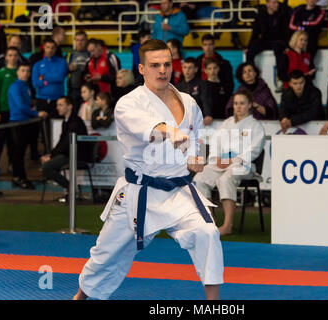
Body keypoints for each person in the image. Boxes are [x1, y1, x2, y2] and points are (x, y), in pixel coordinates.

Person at [73, 39, 223, 300]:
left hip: (178, 191)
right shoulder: (128, 103)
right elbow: (145, 125)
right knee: (105, 255)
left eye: (166, 64)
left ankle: (213, 303)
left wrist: (195, 158)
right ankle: (79, 298)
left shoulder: (188, 101)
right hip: (138, 193)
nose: (162, 70)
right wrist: (168, 131)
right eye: (155, 65)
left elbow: (197, 137)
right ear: (141, 68)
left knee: (207, 233)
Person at [193, 89, 266, 236]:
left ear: (250, 105)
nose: (238, 107)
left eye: (242, 103)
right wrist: (217, 158)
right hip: (221, 162)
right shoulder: (226, 124)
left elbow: (255, 150)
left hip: (242, 164)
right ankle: (210, 223)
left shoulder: (255, 126)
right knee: (199, 179)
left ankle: (227, 225)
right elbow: (215, 143)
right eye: (236, 103)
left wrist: (232, 160)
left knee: (226, 179)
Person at [8, 62, 48, 189]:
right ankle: (18, 178)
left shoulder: (26, 86)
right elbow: (20, 106)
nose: (26, 73)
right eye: (23, 70)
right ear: (18, 72)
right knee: (18, 153)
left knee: (21, 152)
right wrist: (37, 113)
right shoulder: (15, 87)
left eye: (27, 71)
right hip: (17, 122)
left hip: (26, 122)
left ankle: (20, 177)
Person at [40, 96, 88, 203]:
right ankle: (70, 190)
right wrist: (50, 155)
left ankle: (71, 189)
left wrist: (51, 157)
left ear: (70, 106)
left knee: (46, 168)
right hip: (68, 154)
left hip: (76, 156)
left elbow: (66, 144)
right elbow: (62, 142)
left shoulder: (75, 122)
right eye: (57, 105)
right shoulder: (66, 121)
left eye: (61, 105)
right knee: (48, 167)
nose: (58, 108)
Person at [0, 47, 19, 176]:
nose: (13, 57)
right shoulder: (0, 73)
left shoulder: (21, 73)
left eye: (15, 55)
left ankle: (12, 164)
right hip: (3, 112)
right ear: (6, 57)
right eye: (10, 55)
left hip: (17, 113)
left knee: (13, 141)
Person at [32, 38, 69, 119]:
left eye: (52, 47)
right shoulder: (38, 64)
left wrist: (44, 77)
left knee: (57, 126)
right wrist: (45, 82)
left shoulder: (62, 62)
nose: (50, 50)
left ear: (55, 49)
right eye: (48, 47)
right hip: (42, 100)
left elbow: (60, 77)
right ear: (44, 48)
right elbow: (35, 83)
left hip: (57, 99)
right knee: (43, 128)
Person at [245, 0, 291, 65]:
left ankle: (281, 74)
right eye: (274, 2)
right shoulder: (260, 16)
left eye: (277, 2)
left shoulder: (283, 15)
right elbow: (255, 33)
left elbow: (286, 33)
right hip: (265, 41)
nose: (277, 4)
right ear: (267, 4)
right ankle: (251, 69)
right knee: (250, 52)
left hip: (279, 41)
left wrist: (287, 46)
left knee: (279, 51)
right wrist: (249, 47)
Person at [279, 69, 324, 134]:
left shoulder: (315, 92)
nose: (298, 86)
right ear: (290, 84)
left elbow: (314, 113)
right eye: (295, 83)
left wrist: (292, 121)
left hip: (316, 128)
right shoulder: (286, 94)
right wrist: (283, 118)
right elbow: (283, 109)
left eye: (301, 83)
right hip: (295, 128)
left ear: (305, 81)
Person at [176, 57, 213, 126]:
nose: (187, 70)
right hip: (183, 122)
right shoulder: (178, 87)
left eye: (190, 68)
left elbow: (205, 100)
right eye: (185, 67)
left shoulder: (202, 84)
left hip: (198, 121)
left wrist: (208, 114)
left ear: (195, 69)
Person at [288, 0, 325, 66]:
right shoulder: (298, 10)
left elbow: (316, 24)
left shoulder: (319, 11)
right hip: (297, 43)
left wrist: (303, 24)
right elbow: (291, 25)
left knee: (308, 64)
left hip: (311, 43)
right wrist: (302, 27)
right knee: (295, 64)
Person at [66, 30, 90, 114]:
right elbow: (63, 72)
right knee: (74, 114)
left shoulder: (90, 53)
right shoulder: (70, 55)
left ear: (86, 41)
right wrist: (68, 69)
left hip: (88, 89)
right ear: (74, 41)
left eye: (82, 40)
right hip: (74, 90)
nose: (80, 42)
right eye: (77, 40)